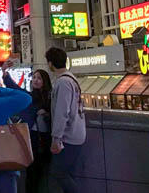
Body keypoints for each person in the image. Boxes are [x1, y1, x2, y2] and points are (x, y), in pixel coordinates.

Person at [1, 62, 51, 193]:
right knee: (33, 170)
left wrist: (46, 113)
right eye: (34, 77)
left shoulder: (50, 98)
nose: (35, 80)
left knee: (38, 170)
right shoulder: (28, 96)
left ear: (45, 81)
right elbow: (14, 88)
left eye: (39, 78)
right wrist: (5, 73)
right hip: (32, 136)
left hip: (44, 137)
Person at [47, 47, 86, 193]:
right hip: (77, 133)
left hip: (68, 137)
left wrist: (56, 138)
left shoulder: (63, 82)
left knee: (58, 172)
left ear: (50, 63)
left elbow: (62, 112)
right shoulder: (72, 79)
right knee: (68, 173)